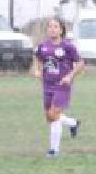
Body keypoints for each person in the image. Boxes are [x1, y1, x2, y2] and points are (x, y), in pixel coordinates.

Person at [31, 16, 84, 158]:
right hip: (47, 85)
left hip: (62, 85)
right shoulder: (43, 46)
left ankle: (53, 151)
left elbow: (80, 63)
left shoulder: (68, 46)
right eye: (50, 26)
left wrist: (70, 76)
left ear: (61, 30)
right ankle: (73, 124)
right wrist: (36, 70)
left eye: (55, 27)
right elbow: (36, 57)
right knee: (50, 117)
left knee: (54, 115)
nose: (52, 29)